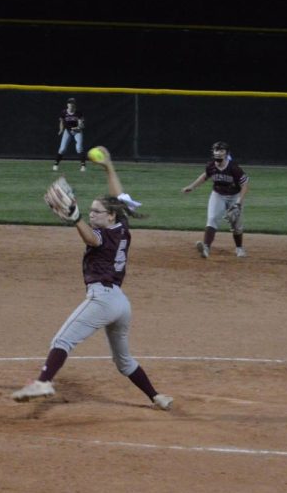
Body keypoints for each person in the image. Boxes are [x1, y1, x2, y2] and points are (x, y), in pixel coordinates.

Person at [13, 146, 173, 411]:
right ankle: (157, 396)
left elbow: (90, 238)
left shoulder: (104, 235)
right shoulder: (121, 228)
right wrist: (109, 167)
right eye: (91, 211)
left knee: (62, 341)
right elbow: (116, 197)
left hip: (102, 300)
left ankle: (43, 382)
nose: (92, 214)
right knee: (123, 362)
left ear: (109, 216)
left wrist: (75, 219)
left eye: (97, 212)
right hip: (121, 304)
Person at [181, 141, 250, 258]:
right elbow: (204, 176)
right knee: (212, 218)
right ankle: (206, 248)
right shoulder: (211, 166)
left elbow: (245, 184)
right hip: (218, 194)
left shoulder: (234, 168)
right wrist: (192, 186)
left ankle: (239, 248)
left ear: (226, 153)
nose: (218, 153)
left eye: (221, 150)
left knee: (236, 224)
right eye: (216, 150)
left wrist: (238, 202)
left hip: (234, 196)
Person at [53, 97, 87, 173]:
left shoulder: (78, 113)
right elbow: (61, 122)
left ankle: (83, 166)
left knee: (79, 148)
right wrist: (61, 129)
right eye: (69, 103)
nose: (71, 104)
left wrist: (77, 127)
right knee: (62, 149)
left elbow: (81, 125)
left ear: (75, 105)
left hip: (77, 131)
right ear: (67, 104)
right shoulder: (64, 112)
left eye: (72, 103)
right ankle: (56, 164)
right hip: (67, 131)